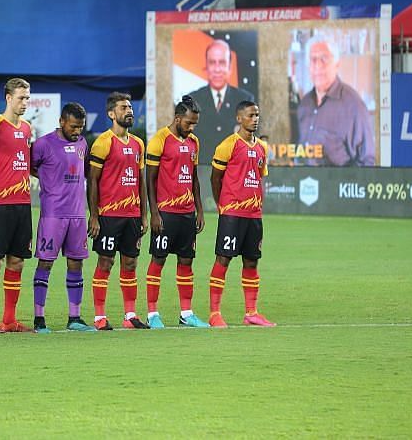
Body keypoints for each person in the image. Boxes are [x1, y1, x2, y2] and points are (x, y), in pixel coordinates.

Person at [208, 101, 275, 327]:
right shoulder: (228, 145)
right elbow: (215, 178)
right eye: (250, 115)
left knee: (251, 262)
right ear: (239, 118)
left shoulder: (262, 149)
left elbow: (259, 180)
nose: (255, 119)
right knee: (223, 259)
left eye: (257, 115)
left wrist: (259, 210)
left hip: (253, 215)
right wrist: (222, 205)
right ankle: (215, 313)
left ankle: (251, 313)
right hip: (232, 213)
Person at [30, 102, 96, 333]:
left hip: (77, 214)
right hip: (53, 215)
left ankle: (75, 318)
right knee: (46, 263)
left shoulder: (82, 143)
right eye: (73, 126)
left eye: (80, 127)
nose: (77, 131)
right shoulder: (42, 144)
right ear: (61, 122)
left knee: (76, 263)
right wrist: (48, 178)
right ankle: (39, 320)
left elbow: (85, 172)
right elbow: (30, 166)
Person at [145, 95, 209, 329]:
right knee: (158, 259)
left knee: (186, 260)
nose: (191, 128)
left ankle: (186, 313)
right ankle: (152, 314)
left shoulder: (194, 142)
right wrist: (154, 212)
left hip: (186, 213)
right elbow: (149, 180)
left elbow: (194, 178)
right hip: (165, 212)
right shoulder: (159, 140)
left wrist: (199, 210)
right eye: (188, 123)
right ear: (177, 118)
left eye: (194, 124)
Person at [88, 92, 149, 330]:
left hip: (132, 215)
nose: (129, 110)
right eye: (124, 107)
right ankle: (99, 317)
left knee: (131, 263)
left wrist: (144, 214)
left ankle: (130, 315)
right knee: (105, 262)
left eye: (130, 106)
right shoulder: (103, 142)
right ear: (112, 114)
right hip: (109, 215)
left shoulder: (138, 144)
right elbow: (92, 181)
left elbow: (140, 181)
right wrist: (94, 215)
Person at [0, 78, 34, 333]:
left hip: (23, 204)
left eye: (27, 98)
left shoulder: (26, 129)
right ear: (8, 98)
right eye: (21, 98)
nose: (25, 103)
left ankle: (10, 320)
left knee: (17, 262)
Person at [296, 33, 375, 166]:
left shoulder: (353, 106)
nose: (317, 66)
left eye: (324, 58)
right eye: (313, 59)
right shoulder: (305, 104)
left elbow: (367, 161)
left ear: (337, 64)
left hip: (335, 185)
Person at [188, 39, 255, 163]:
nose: (217, 69)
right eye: (212, 63)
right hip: (202, 172)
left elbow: (251, 143)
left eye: (222, 63)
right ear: (206, 66)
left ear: (230, 67)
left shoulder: (245, 100)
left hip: (235, 173)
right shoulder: (192, 100)